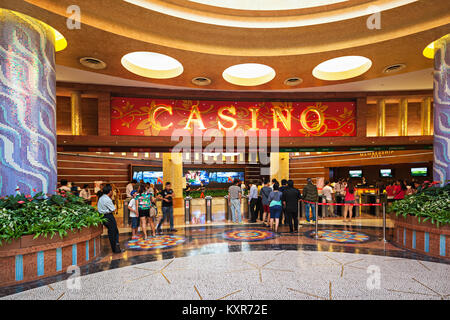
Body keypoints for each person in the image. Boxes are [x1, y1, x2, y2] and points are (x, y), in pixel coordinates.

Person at [98, 184, 123, 253]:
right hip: (108, 216)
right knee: (113, 232)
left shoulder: (102, 197)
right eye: (112, 190)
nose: (112, 192)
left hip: (103, 216)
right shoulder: (107, 199)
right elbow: (113, 209)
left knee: (112, 231)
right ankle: (115, 249)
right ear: (110, 191)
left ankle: (116, 248)